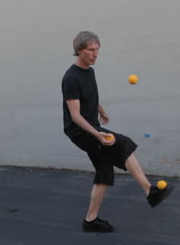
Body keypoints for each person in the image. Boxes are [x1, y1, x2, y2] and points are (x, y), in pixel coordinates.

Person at [61, 31, 173, 233]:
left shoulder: (89, 72)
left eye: (97, 50)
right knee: (123, 143)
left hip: (91, 126)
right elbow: (75, 116)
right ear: (79, 51)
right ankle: (150, 191)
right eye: (91, 50)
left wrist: (100, 109)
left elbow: (90, 96)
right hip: (79, 130)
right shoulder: (71, 78)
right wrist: (96, 134)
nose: (95, 54)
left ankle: (90, 221)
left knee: (104, 171)